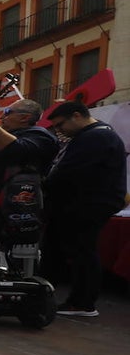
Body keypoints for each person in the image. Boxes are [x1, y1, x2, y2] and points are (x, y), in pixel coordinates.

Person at [42, 101, 128, 317]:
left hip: (88, 204)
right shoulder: (95, 135)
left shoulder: (96, 137)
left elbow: (69, 172)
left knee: (83, 251)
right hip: (86, 202)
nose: (59, 130)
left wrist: (46, 185)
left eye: (60, 124)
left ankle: (82, 303)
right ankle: (70, 298)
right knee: (74, 249)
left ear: (77, 116)